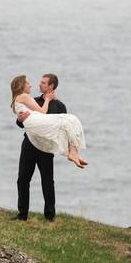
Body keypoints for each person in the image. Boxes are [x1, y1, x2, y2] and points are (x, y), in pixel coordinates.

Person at [10, 74, 88, 219]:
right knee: (23, 179)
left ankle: (50, 215)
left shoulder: (59, 106)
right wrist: (19, 119)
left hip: (46, 148)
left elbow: (64, 131)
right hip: (29, 144)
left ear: (51, 86)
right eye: (40, 82)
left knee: (47, 180)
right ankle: (22, 214)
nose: (40, 85)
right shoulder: (35, 100)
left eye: (44, 83)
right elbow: (23, 122)